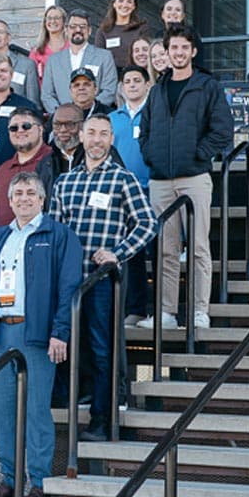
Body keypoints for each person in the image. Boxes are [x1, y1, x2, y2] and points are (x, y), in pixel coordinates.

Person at [0, 171, 82, 497]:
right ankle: (9, 480)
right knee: (3, 412)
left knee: (36, 411)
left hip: (37, 334)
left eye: (31, 193)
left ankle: (40, 483)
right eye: (18, 193)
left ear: (43, 199)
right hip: (1, 332)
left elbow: (69, 288)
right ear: (9, 200)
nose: (24, 199)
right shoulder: (1, 237)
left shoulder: (59, 235)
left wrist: (60, 332)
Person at [52, 115, 157, 440]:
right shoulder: (64, 182)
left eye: (103, 134)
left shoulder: (123, 180)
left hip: (101, 282)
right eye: (92, 133)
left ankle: (101, 419)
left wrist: (118, 253)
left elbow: (148, 223)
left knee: (102, 351)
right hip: (69, 283)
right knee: (69, 348)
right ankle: (70, 412)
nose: (97, 139)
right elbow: (55, 232)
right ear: (82, 137)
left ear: (111, 139)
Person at [138, 25, 234, 331]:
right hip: (160, 181)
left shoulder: (207, 86)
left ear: (193, 51)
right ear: (166, 52)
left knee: (197, 247)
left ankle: (199, 311)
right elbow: (145, 131)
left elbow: (223, 130)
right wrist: (151, 155)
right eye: (173, 48)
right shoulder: (157, 90)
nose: (178, 53)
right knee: (165, 249)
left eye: (183, 48)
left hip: (194, 177)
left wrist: (198, 154)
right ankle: (167, 312)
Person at [110, 67, 153, 325]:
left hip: (152, 187)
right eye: (128, 81)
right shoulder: (112, 118)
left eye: (138, 80)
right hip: (121, 193)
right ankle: (136, 309)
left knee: (157, 251)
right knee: (132, 252)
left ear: (147, 85)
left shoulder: (155, 114)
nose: (132, 85)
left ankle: (159, 309)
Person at [0, 108, 53, 227]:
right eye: (13, 128)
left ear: (40, 129)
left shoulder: (55, 162)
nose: (20, 131)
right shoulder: (3, 169)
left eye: (26, 126)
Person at [41, 9, 117, 114]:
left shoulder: (104, 56)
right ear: (66, 30)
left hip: (95, 117)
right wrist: (62, 113)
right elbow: (47, 95)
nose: (78, 30)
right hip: (63, 119)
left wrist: (90, 110)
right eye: (73, 26)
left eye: (82, 26)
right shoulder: (53, 60)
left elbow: (109, 91)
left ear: (89, 30)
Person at [93, 0, 149, 70]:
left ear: (134, 6)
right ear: (114, 4)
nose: (125, 5)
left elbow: (146, 56)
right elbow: (99, 59)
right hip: (111, 75)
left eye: (129, 2)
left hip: (135, 73)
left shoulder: (142, 29)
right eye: (121, 1)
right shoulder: (103, 31)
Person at [29, 4, 68, 80]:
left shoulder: (72, 48)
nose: (52, 21)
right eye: (49, 18)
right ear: (45, 22)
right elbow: (31, 79)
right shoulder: (36, 51)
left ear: (64, 22)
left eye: (57, 18)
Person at [49, 103, 85, 177]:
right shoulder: (46, 157)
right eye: (57, 124)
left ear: (82, 125)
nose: (63, 130)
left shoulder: (92, 154)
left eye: (70, 124)